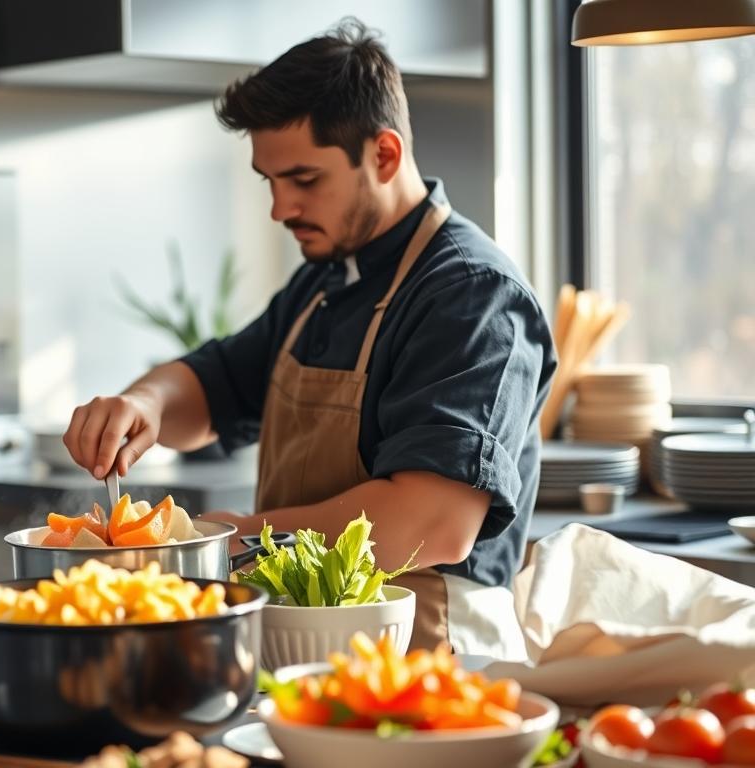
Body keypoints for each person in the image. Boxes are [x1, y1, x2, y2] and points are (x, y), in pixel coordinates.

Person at [61, 20, 556, 657]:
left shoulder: (470, 293)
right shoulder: (324, 281)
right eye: (269, 181)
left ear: (384, 155)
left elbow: (432, 523)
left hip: (426, 659)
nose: (280, 208)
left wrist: (233, 540)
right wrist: (143, 405)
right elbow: (214, 387)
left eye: (303, 179)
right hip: (300, 650)